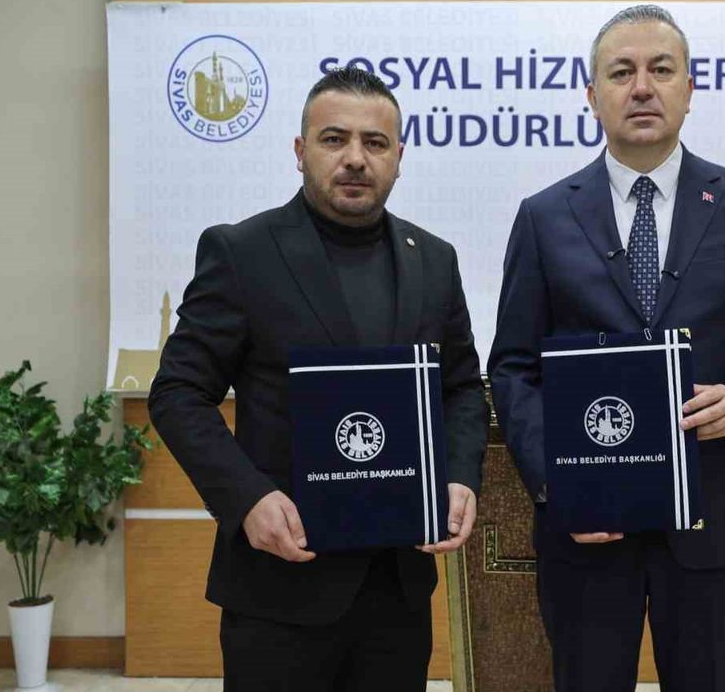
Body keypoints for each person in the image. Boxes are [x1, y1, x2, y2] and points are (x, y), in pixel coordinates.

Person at [488, 5, 725, 692]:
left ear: (689, 88)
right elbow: (513, 367)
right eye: (621, 73)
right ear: (592, 96)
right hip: (587, 527)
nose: (642, 87)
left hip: (713, 520)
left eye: (661, 70)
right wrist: (556, 483)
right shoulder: (543, 217)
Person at [149, 67, 488, 692]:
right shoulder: (241, 252)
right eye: (335, 139)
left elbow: (463, 386)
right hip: (279, 583)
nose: (355, 158)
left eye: (375, 143)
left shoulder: (435, 261)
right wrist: (247, 499)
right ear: (301, 151)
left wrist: (461, 474)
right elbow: (177, 393)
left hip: (398, 588)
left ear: (399, 157)